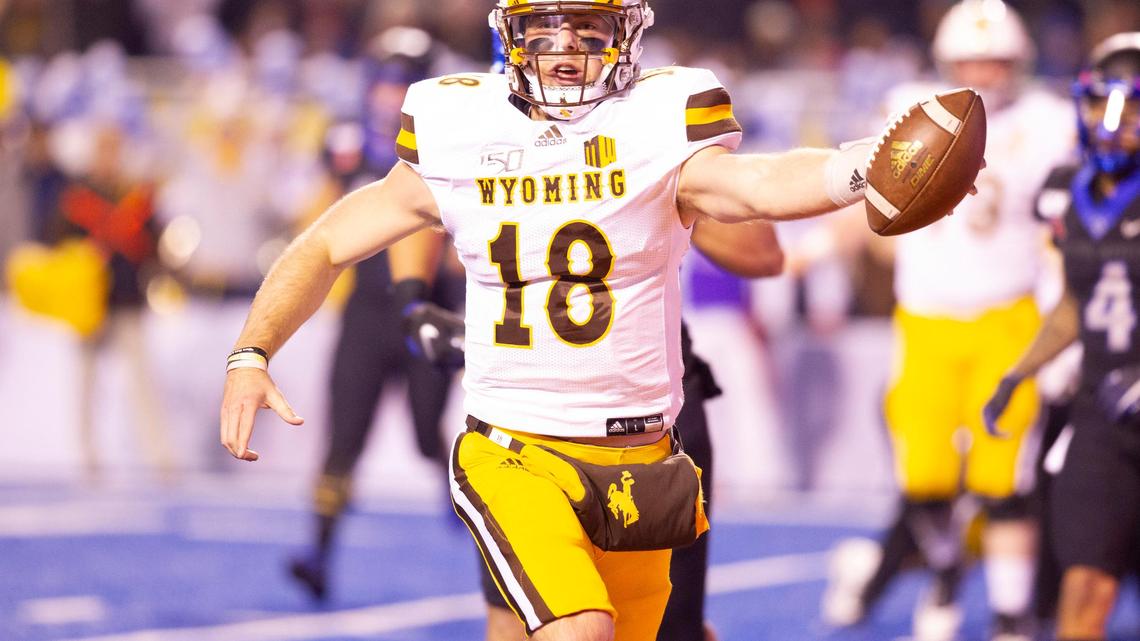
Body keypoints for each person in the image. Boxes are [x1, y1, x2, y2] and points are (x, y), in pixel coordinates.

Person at [219, 1, 955, 638]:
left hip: (644, 458)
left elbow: (752, 187)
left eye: (588, 26)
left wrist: (859, 167)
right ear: (512, 34)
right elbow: (323, 244)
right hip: (519, 451)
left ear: (625, 33)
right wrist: (252, 353)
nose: (566, 46)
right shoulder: (459, 125)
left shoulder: (658, 119)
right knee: (580, 627)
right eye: (544, 26)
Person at [388, 213, 785, 641]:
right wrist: (412, 302)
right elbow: (408, 196)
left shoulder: (660, 146)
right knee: (519, 622)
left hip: (648, 408)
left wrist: (661, 190)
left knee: (668, 627)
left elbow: (763, 254)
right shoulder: (480, 145)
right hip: (523, 411)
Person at [821, 2, 1074, 640]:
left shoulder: (1048, 121)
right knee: (926, 474)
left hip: (1009, 315)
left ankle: (1012, 615)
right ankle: (942, 576)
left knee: (1004, 475)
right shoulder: (913, 109)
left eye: (995, 59)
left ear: (1018, 62)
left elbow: (1065, 228)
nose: (983, 71)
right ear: (947, 63)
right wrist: (822, 253)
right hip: (926, 316)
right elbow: (868, 205)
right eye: (970, 60)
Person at [285, 37, 464, 602]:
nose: (389, 96)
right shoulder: (347, 140)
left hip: (425, 307)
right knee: (343, 442)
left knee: (423, 434)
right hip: (365, 311)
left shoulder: (455, 141)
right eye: (384, 83)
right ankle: (318, 550)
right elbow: (316, 224)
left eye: (400, 84)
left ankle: (459, 489)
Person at [984, 31, 1140, 641]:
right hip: (1102, 408)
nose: (1111, 124)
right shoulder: (1066, 190)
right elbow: (1078, 304)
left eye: (1128, 108)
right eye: (1101, 103)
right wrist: (1017, 373)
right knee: (1084, 585)